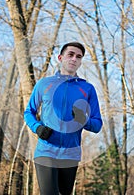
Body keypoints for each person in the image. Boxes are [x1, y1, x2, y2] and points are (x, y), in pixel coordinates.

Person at [24, 42, 102, 195]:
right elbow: (29, 112)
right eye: (70, 54)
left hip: (70, 154)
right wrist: (37, 127)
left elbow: (97, 124)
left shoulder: (87, 89)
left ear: (80, 62)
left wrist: (83, 120)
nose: (74, 59)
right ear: (60, 58)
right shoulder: (44, 84)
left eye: (78, 57)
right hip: (46, 150)